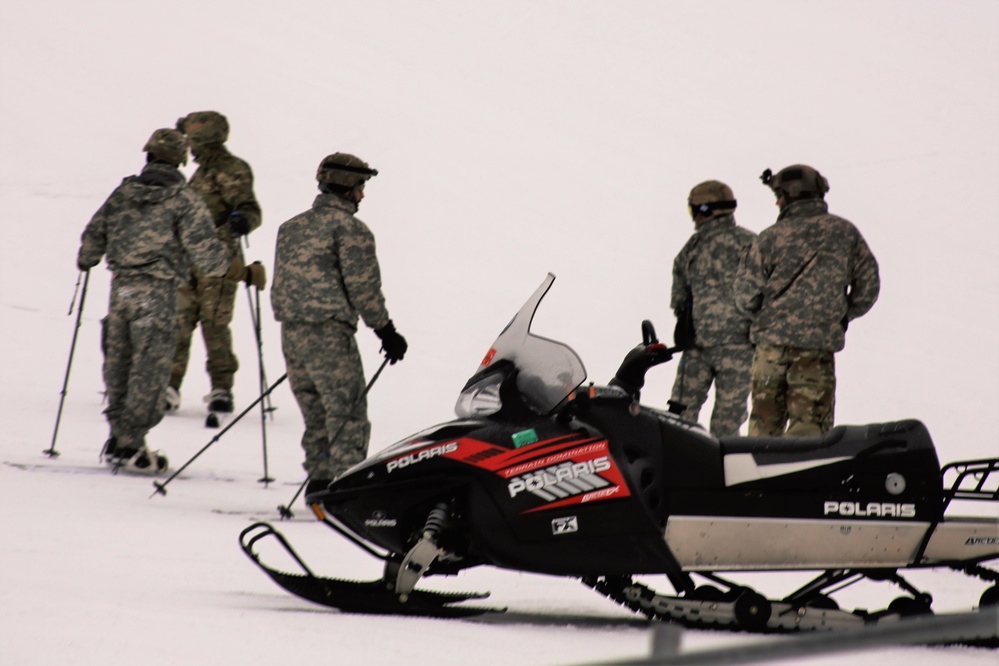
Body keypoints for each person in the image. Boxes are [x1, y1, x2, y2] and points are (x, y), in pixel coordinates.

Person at [76, 129, 254, 472]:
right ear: (181, 160)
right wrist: (235, 269)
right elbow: (207, 256)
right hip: (158, 294)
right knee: (150, 369)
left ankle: (118, 437)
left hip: (121, 290)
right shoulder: (184, 200)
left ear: (148, 156)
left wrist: (88, 258)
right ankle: (131, 444)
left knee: (119, 363)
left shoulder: (123, 193)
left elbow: (92, 238)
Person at [271, 152, 408, 493]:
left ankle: (319, 481)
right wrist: (386, 331)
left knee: (315, 412)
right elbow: (363, 287)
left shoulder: (290, 228)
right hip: (330, 334)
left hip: (291, 334)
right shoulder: (351, 230)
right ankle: (347, 489)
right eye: (360, 187)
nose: (362, 195)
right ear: (346, 187)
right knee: (347, 413)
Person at [734, 164, 880, 437]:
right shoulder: (845, 233)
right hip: (815, 350)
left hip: (769, 351)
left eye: (779, 195)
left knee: (761, 436)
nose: (777, 201)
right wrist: (841, 315)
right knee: (810, 438)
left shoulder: (768, 237)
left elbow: (745, 295)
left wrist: (767, 318)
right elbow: (868, 288)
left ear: (790, 195)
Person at [167, 110, 265, 418]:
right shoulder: (195, 173)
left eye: (192, 139)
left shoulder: (231, 168)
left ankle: (221, 388)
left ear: (203, 138)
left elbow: (249, 209)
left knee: (215, 325)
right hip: (185, 262)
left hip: (219, 262)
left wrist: (240, 222)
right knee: (179, 323)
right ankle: (168, 385)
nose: (188, 145)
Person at [668, 180, 757, 437]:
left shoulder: (691, 249)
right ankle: (722, 474)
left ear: (705, 209)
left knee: (678, 420)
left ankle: (677, 469)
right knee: (727, 426)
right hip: (741, 349)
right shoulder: (754, 243)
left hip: (697, 349)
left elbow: (678, 299)